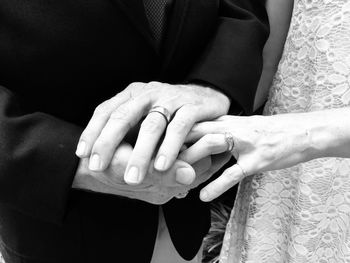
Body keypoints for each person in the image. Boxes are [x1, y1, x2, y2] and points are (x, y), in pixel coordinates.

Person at [0, 0, 269, 263]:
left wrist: (212, 86)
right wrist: (74, 163)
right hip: (63, 229)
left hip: (186, 211)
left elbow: (242, 6)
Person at [178, 0, 350, 262]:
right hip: (280, 164)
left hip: (295, 143)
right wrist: (204, 119)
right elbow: (269, 56)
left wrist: (303, 136)